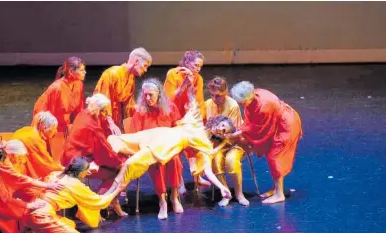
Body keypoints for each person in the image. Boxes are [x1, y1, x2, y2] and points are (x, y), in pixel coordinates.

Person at [105, 105, 233, 201]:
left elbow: (208, 171)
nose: (220, 129)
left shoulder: (205, 144)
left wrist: (221, 187)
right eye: (222, 125)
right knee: (119, 139)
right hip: (159, 133)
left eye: (223, 131)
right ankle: (100, 165)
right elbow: (190, 96)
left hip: (166, 145)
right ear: (218, 121)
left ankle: (107, 197)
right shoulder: (196, 121)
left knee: (131, 163)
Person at [17, 156, 123, 233]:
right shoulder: (75, 185)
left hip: (29, 214)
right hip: (41, 217)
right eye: (86, 171)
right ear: (81, 173)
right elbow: (99, 201)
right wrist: (116, 190)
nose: (88, 173)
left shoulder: (55, 174)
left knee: (69, 224)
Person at [227, 81, 303, 204]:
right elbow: (251, 122)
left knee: (275, 157)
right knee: (272, 156)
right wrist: (241, 130)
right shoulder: (254, 95)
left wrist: (241, 133)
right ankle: (277, 188)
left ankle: (279, 194)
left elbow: (259, 128)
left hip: (285, 126)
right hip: (278, 122)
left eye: (241, 102)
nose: (240, 104)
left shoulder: (264, 107)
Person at [61, 94, 128, 217]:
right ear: (97, 110)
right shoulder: (91, 126)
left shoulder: (84, 113)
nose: (106, 113)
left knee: (117, 163)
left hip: (72, 154)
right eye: (103, 111)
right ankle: (97, 206)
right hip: (77, 161)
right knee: (117, 172)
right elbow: (103, 150)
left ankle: (111, 201)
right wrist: (118, 163)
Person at [131, 78, 184, 219]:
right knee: (158, 165)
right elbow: (137, 135)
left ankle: (174, 196)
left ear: (159, 94)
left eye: (151, 95)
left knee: (175, 161)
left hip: (169, 148)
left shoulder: (170, 107)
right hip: (151, 150)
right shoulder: (140, 112)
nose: (147, 98)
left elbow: (178, 128)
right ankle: (162, 201)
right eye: (145, 95)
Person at [204, 76, 249, 206]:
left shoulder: (232, 105)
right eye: (212, 95)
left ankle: (239, 194)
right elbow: (206, 128)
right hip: (217, 143)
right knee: (216, 160)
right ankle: (226, 192)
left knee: (231, 160)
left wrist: (215, 137)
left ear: (226, 93)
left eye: (218, 96)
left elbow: (231, 134)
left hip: (235, 142)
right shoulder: (207, 104)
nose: (214, 99)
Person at [94, 47, 153, 133]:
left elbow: (128, 104)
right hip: (105, 119)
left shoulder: (131, 77)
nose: (145, 70)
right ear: (136, 61)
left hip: (117, 118)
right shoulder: (111, 74)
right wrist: (110, 123)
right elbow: (100, 102)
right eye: (145, 66)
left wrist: (140, 109)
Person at [32, 57, 86, 135]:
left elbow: (79, 110)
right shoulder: (56, 88)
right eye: (81, 70)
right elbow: (44, 112)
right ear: (71, 71)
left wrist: (77, 126)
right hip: (52, 127)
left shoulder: (79, 85)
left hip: (68, 127)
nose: (85, 72)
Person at [13, 111, 64, 182]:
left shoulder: (26, 130)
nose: (55, 131)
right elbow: (46, 163)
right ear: (44, 127)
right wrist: (62, 169)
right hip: (19, 172)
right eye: (54, 128)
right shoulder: (35, 140)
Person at [163, 51, 206, 120]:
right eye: (196, 65)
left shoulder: (199, 79)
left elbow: (200, 103)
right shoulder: (173, 73)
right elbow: (167, 100)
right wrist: (184, 84)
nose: (198, 69)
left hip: (188, 117)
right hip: (171, 115)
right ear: (186, 63)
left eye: (200, 66)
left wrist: (200, 116)